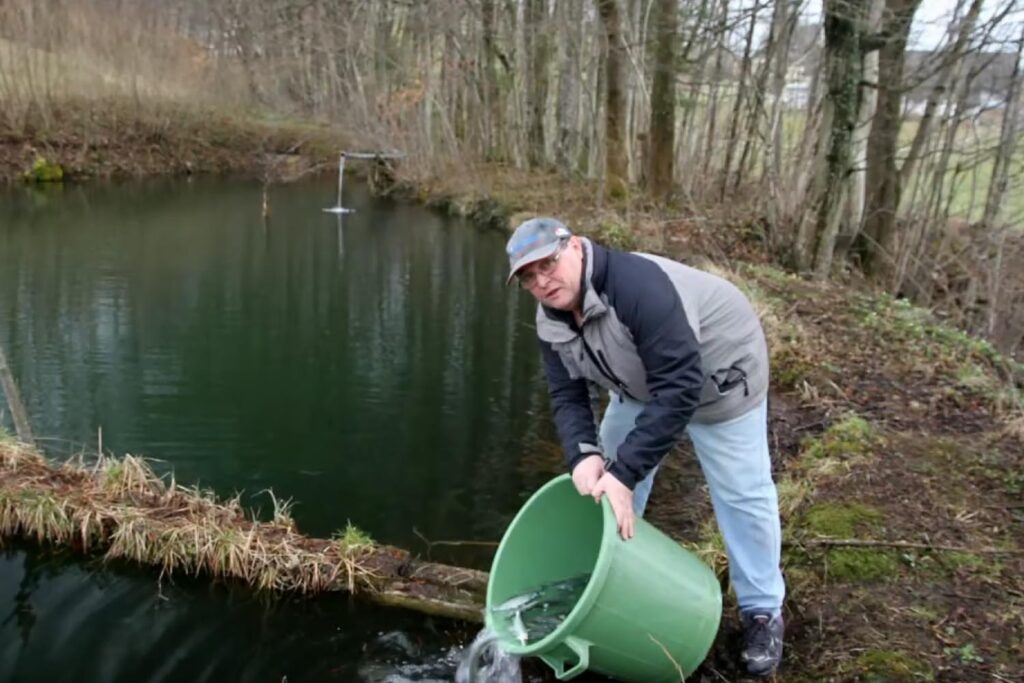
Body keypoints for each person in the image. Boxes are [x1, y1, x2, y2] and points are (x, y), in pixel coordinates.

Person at [505, 217, 785, 677]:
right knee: (603, 485)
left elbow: (681, 388)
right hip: (641, 382)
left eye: (548, 265)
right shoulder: (550, 318)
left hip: (720, 376)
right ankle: (605, 587)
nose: (542, 281)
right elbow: (566, 393)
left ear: (575, 247)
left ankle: (762, 611)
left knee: (741, 493)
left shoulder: (637, 288)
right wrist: (583, 454)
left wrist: (624, 471)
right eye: (529, 278)